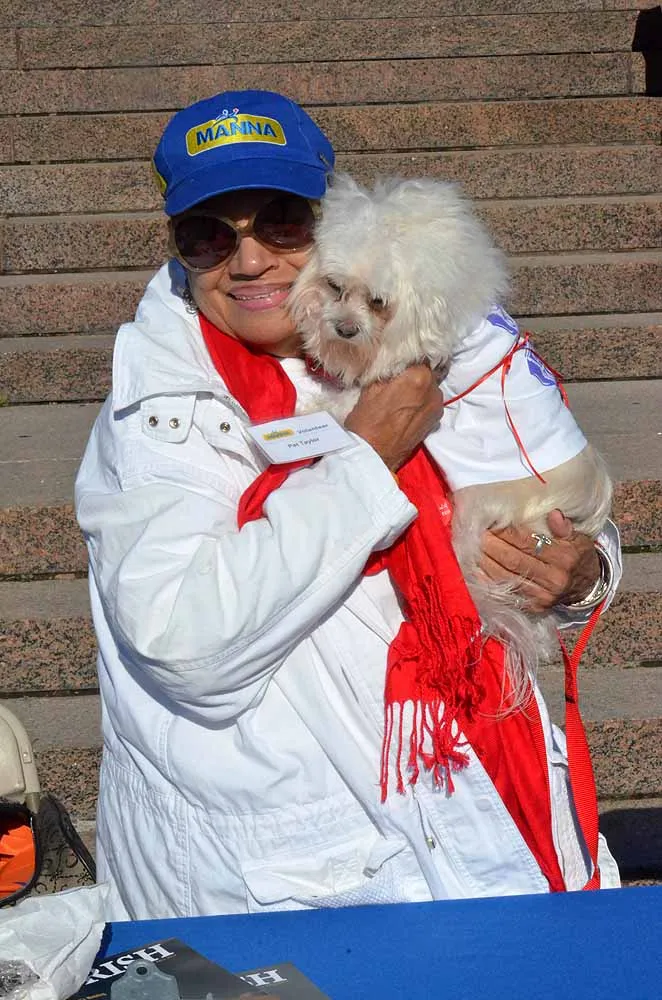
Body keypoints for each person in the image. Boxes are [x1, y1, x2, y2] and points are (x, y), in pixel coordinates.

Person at [75, 89, 622, 920]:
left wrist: (579, 573)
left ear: (332, 220)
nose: (248, 261)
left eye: (282, 223)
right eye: (208, 235)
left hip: (490, 821)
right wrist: (366, 456)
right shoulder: (161, 418)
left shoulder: (428, 333)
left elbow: (544, 505)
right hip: (291, 901)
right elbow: (182, 645)